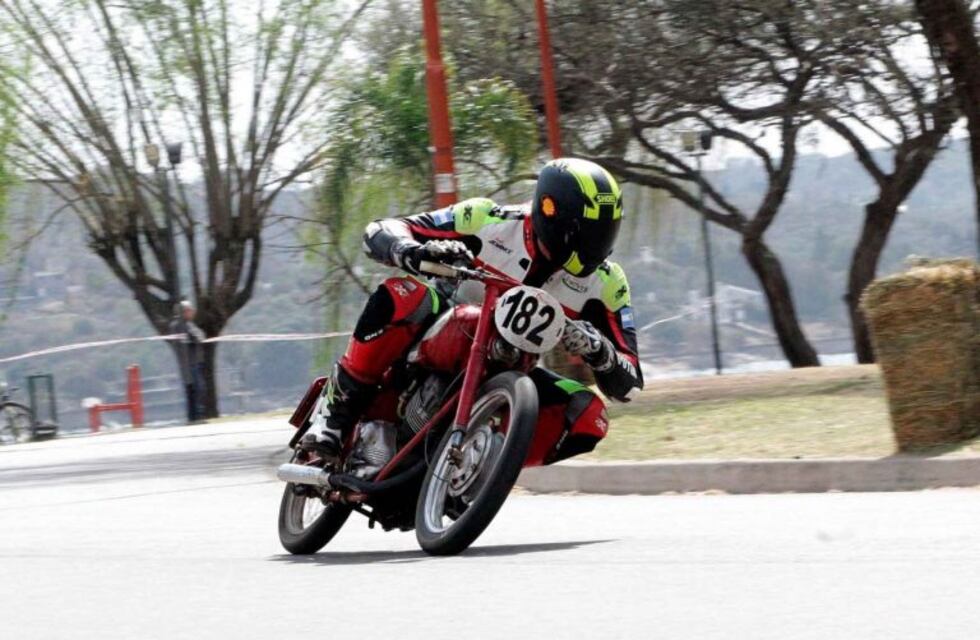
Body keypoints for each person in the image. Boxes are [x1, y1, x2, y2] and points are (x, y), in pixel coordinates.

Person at [303, 158, 643, 464]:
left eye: (604, 232)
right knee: (405, 293)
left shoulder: (608, 284)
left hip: (514, 368)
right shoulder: (485, 219)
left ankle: (488, 468)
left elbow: (628, 383)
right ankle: (335, 413)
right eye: (587, 232)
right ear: (551, 212)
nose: (594, 245)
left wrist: (600, 352)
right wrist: (414, 251)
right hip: (442, 334)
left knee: (589, 414)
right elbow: (380, 230)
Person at [170, 301, 207, 422]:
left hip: (189, 363)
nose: (192, 312)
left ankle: (193, 417)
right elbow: (198, 337)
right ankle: (197, 416)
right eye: (190, 310)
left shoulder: (185, 325)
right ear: (184, 312)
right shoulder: (181, 325)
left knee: (192, 389)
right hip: (191, 363)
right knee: (196, 389)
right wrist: (197, 338)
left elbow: (199, 335)